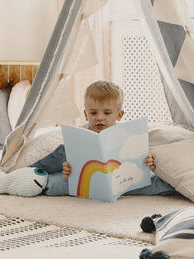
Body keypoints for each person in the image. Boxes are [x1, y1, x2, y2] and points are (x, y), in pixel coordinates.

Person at [29, 80, 176, 196]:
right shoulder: (81, 134)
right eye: (93, 113)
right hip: (89, 181)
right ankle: (29, 174)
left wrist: (147, 162)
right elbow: (72, 165)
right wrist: (68, 169)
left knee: (158, 184)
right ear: (86, 114)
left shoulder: (127, 134)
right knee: (54, 178)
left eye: (107, 113)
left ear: (119, 115)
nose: (99, 118)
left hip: (121, 183)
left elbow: (138, 162)